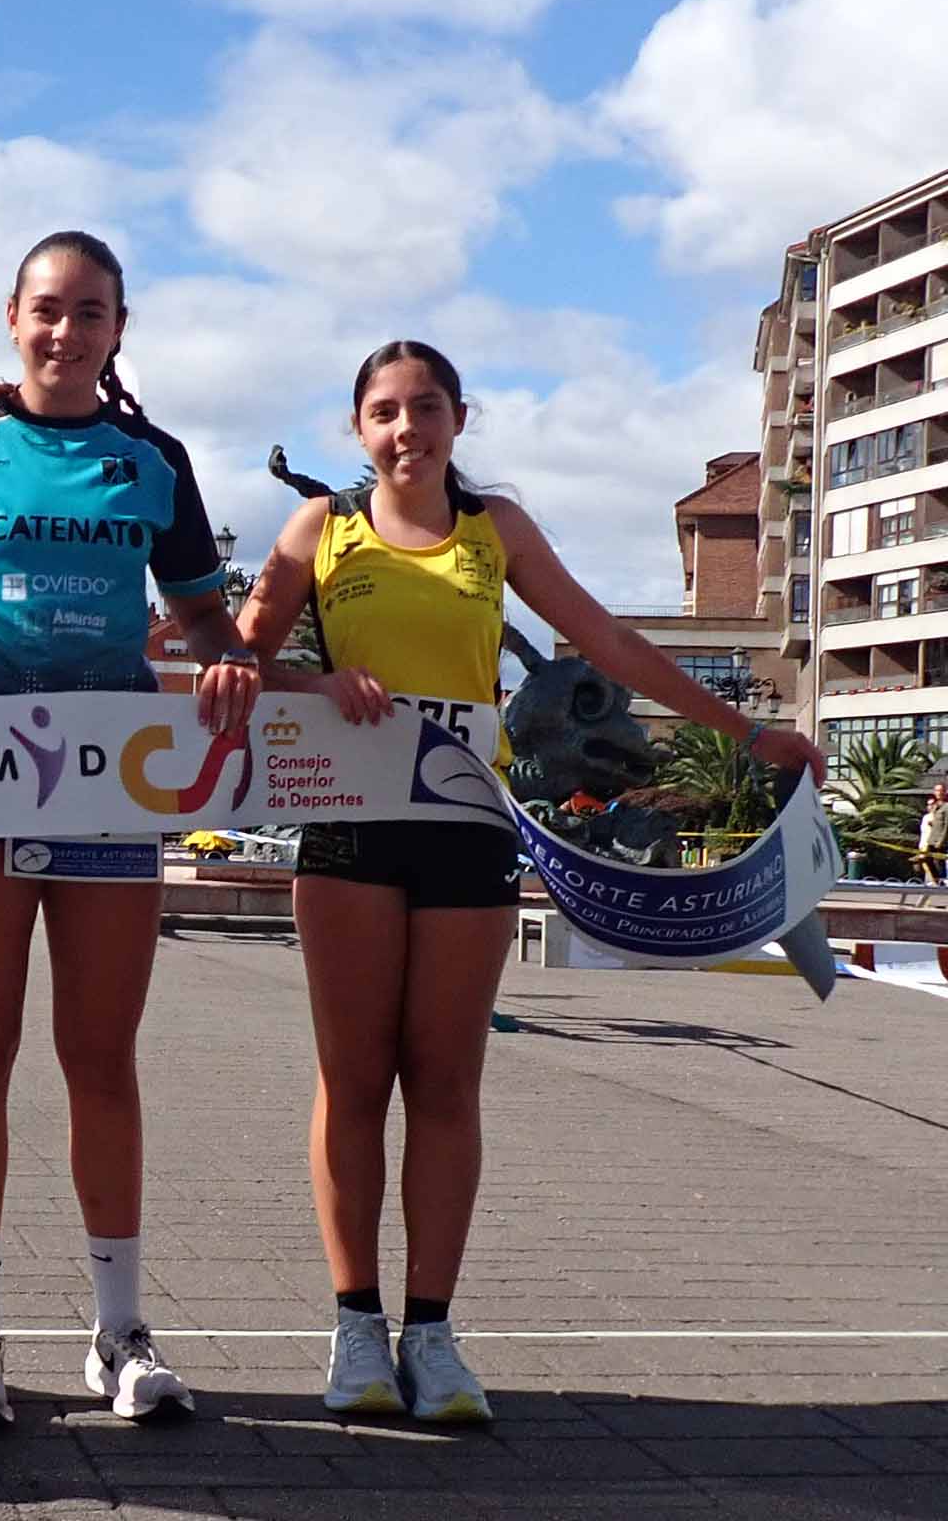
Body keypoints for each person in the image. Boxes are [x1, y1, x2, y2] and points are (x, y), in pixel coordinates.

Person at [237, 340, 826, 1423]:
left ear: (458, 419)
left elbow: (604, 641)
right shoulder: (321, 528)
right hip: (348, 832)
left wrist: (748, 730)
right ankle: (356, 1326)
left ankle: (431, 1333)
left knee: (444, 1082)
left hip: (466, 831)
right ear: (357, 427)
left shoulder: (493, 529)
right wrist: (319, 683)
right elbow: (239, 663)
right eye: (384, 411)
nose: (406, 429)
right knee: (353, 1082)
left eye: (425, 408)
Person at [0, 231, 259, 1423]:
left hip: (107, 780)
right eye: (47, 310)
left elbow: (203, 620)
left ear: (119, 329)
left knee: (99, 1055)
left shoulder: (151, 461)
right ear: (11, 318)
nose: (66, 332)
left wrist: (225, 660)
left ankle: (118, 1333)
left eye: (90, 313)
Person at [918, 783, 948, 884]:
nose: (938, 793)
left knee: (939, 862)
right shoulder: (936, 806)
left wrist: (941, 841)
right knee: (927, 860)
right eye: (936, 790)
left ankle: (942, 882)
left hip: (939, 841)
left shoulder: (946, 807)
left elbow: (946, 826)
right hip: (931, 839)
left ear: (945, 792)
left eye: (940, 790)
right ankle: (935, 880)